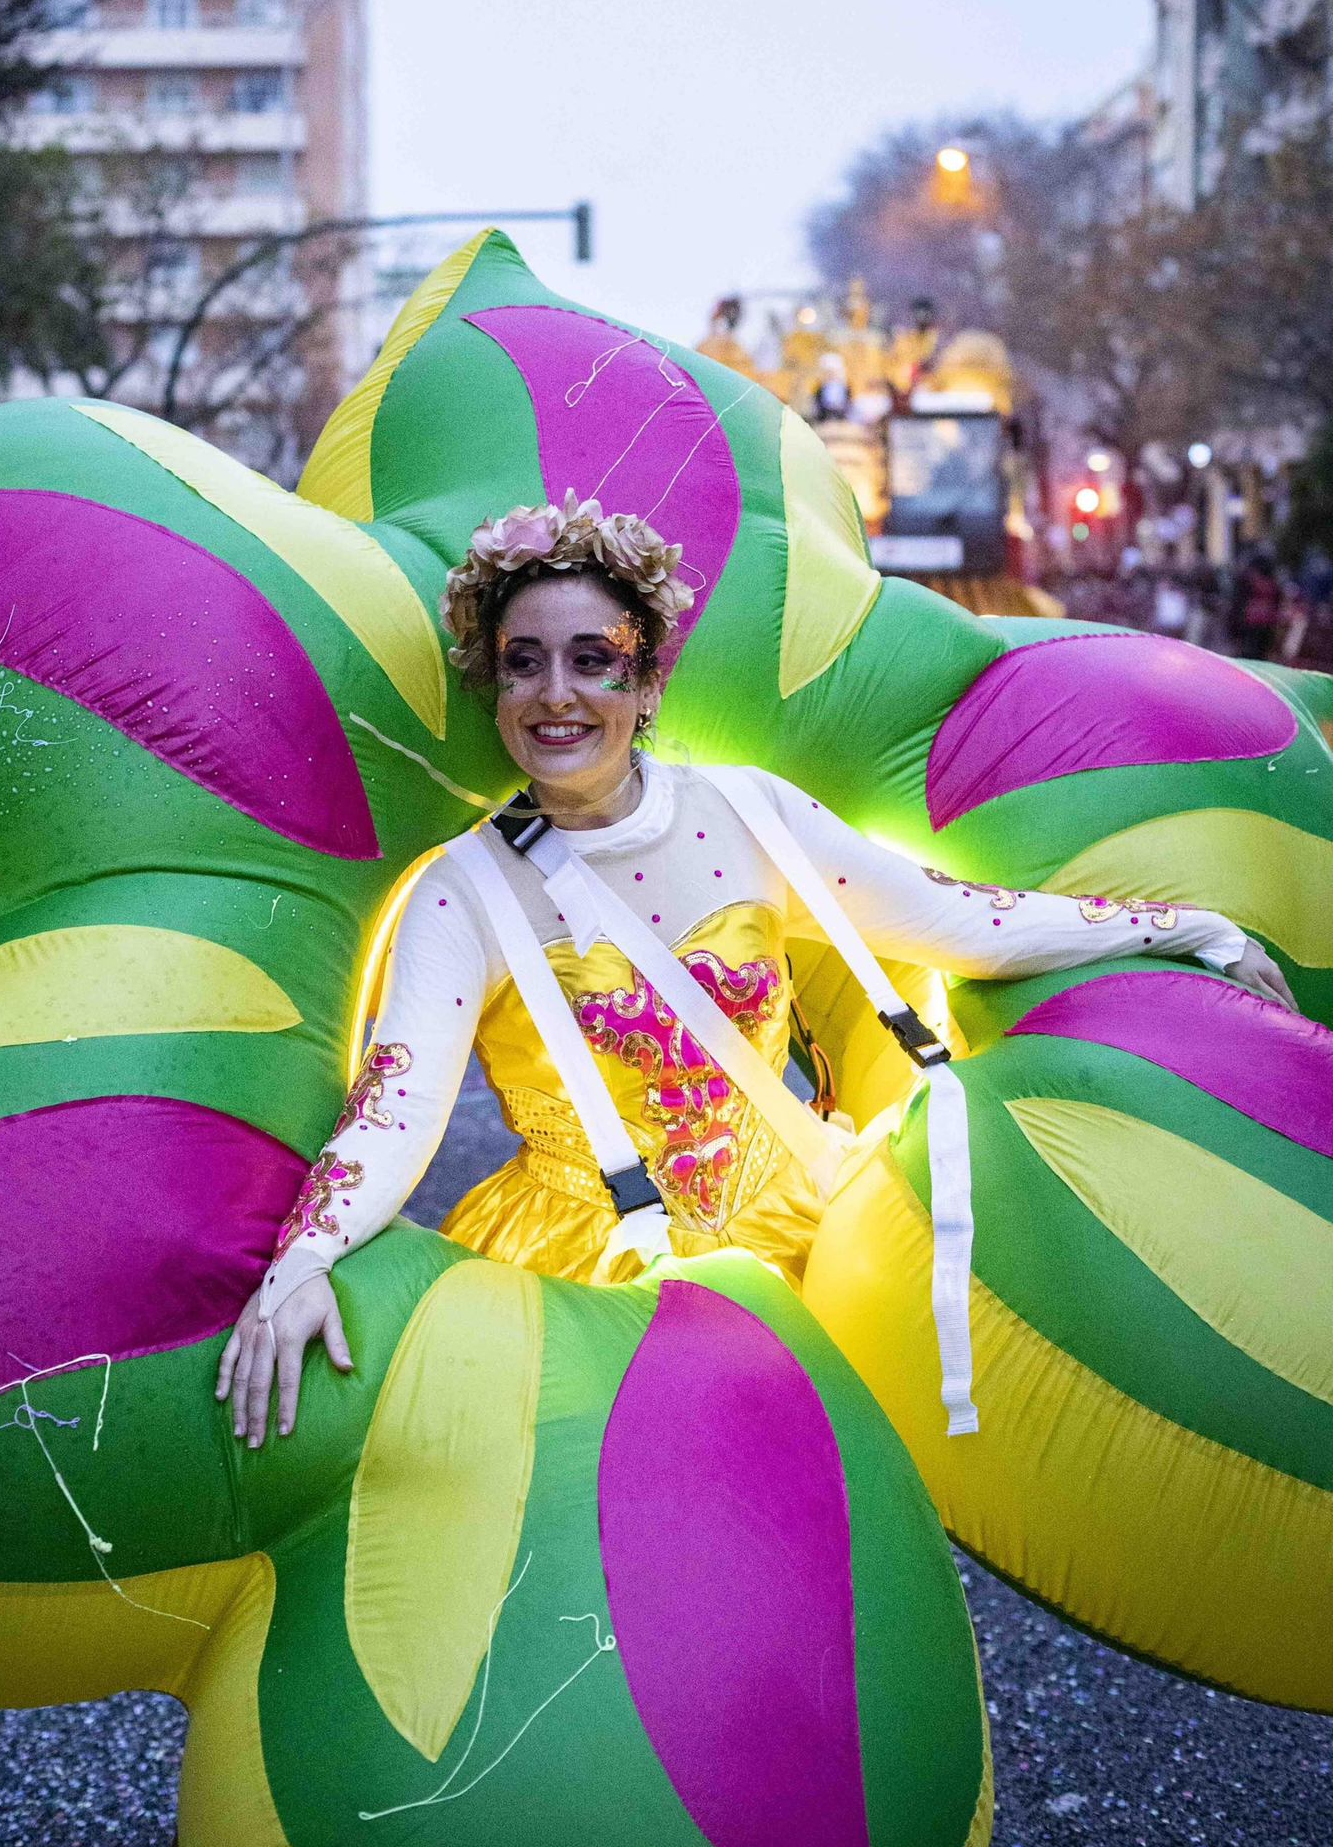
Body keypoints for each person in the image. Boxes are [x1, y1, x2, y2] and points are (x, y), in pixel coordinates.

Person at [218, 493, 1294, 1447]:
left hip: (810, 1234)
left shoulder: (751, 813)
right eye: (523, 662)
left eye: (591, 658)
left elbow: (958, 921)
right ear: (492, 686)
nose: (556, 693)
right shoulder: (460, 890)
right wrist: (301, 1263)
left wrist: (1183, 932)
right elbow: (395, 1108)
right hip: (581, 1277)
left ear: (644, 680)